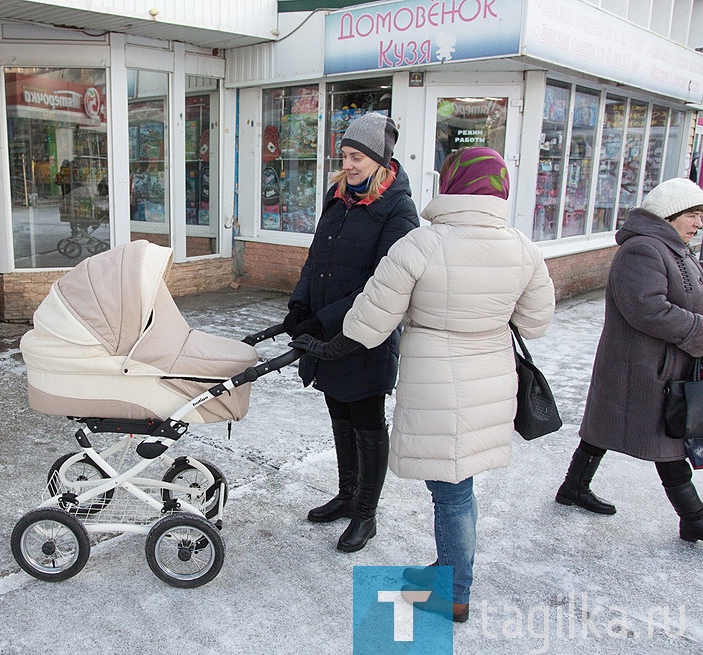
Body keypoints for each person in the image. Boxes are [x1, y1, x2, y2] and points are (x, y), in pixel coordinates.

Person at [291, 147, 556, 621]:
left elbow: (370, 322)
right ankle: (450, 569)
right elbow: (535, 322)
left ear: (450, 184)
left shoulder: (421, 245)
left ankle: (454, 589)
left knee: (450, 491)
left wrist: (324, 347)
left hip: (438, 381)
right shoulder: (523, 247)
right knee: (462, 483)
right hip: (492, 380)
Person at [281, 112, 419, 553]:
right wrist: (301, 304)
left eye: (358, 157)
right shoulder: (338, 194)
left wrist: (324, 319)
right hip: (326, 332)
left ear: (380, 160)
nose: (349, 164)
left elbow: (384, 283)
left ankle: (366, 514)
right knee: (338, 410)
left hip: (366, 335)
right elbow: (315, 258)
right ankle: (345, 495)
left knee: (365, 420)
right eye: (344, 155)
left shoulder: (398, 209)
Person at [555, 177, 703, 543]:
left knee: (603, 429)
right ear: (671, 214)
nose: (699, 222)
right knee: (666, 442)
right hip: (640, 367)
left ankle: (573, 487)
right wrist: (699, 329)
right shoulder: (643, 250)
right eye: (694, 214)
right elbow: (647, 309)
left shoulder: (677, 248)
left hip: (659, 363)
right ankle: (694, 518)